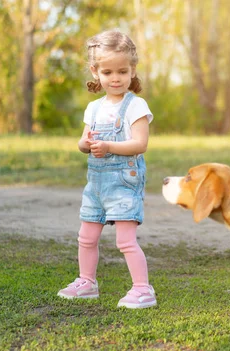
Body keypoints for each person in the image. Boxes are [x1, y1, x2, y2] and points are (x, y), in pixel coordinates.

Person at [58, 30, 156, 309]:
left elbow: (140, 143)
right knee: (86, 236)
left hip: (124, 181)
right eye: (108, 71)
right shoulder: (94, 108)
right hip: (96, 184)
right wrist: (85, 144)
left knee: (125, 240)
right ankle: (87, 282)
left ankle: (142, 289)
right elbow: (83, 142)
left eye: (123, 71)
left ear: (132, 70)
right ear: (95, 71)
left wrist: (108, 146)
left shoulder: (136, 105)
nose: (115, 78)